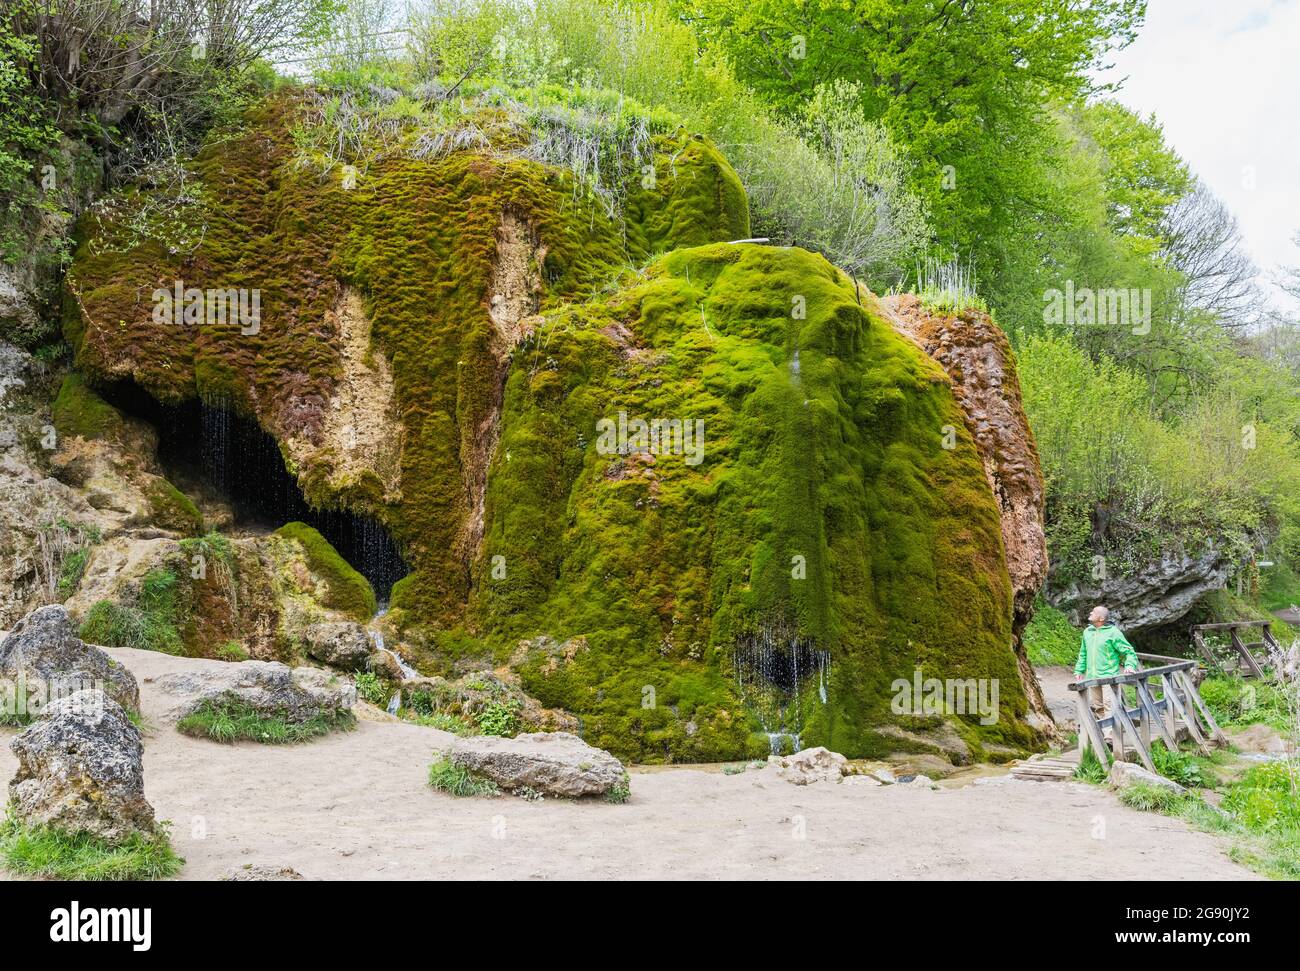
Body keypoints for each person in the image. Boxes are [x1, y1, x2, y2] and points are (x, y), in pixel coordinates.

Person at [1072, 605, 1139, 736]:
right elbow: (1083, 653)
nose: (1090, 612)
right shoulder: (1087, 632)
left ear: (1101, 618)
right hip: (1093, 676)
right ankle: (1107, 732)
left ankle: (1110, 736)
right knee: (1098, 706)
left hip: (1109, 676)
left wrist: (1130, 665)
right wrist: (1079, 670)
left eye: (1094, 612)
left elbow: (1129, 651)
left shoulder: (1113, 632)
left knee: (1109, 705)